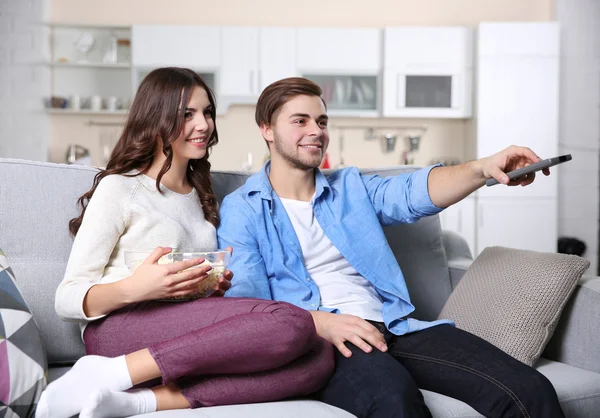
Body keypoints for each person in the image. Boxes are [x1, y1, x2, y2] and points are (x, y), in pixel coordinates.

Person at [216, 77, 565, 418]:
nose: (315, 131)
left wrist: (481, 168)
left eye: (321, 121)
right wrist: (318, 323)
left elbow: (413, 193)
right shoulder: (243, 207)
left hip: (394, 327)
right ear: (266, 129)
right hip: (323, 342)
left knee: (528, 388)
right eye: (300, 121)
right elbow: (249, 305)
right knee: (394, 401)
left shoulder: (351, 187)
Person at [36, 69, 334, 418]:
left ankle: (132, 401)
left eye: (207, 112)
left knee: (320, 358)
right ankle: (111, 371)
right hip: (120, 328)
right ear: (157, 117)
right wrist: (137, 287)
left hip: (177, 331)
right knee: (295, 321)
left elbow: (183, 295)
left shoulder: (200, 195)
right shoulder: (122, 188)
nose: (204, 124)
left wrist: (210, 288)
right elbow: (66, 297)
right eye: (187, 114)